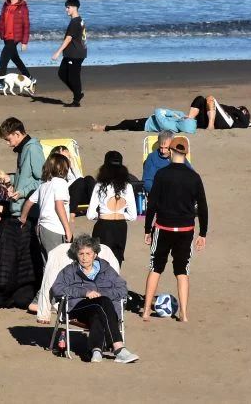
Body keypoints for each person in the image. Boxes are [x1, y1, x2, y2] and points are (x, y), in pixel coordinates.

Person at [141, 136, 207, 322]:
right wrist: (203, 233)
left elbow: (152, 204)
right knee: (182, 270)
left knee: (156, 267)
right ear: (186, 153)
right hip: (186, 229)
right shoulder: (194, 177)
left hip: (163, 227)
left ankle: (146, 310)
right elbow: (202, 206)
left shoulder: (162, 175)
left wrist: (147, 229)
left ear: (170, 151)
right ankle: (184, 314)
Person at [51, 234, 139, 363]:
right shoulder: (70, 271)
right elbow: (57, 289)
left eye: (88, 253)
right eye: (81, 254)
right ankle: (118, 348)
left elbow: (122, 289)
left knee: (100, 308)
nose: (85, 257)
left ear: (95, 254)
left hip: (103, 310)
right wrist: (84, 292)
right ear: (76, 255)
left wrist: (100, 293)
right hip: (78, 308)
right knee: (102, 303)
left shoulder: (107, 270)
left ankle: (96, 350)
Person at [19, 153, 73, 260]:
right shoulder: (60, 183)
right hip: (55, 228)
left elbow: (28, 202)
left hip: (41, 228)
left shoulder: (43, 185)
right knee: (58, 263)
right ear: (64, 168)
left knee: (47, 264)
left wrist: (23, 218)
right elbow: (59, 205)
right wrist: (67, 229)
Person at [87, 155, 137, 264]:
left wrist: (102, 215)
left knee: (99, 262)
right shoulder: (127, 186)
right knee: (117, 261)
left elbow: (90, 214)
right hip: (121, 227)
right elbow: (133, 215)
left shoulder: (99, 186)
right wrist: (119, 214)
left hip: (103, 226)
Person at [0, 117, 43, 219]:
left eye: (8, 139)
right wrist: (11, 179)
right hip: (20, 209)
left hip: (29, 211)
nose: (8, 143)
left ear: (17, 134)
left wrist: (23, 192)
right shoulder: (22, 149)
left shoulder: (33, 148)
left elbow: (44, 180)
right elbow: (26, 177)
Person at [0, 0, 31, 88]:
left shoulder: (23, 7)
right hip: (6, 36)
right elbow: (1, 21)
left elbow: (26, 25)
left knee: (4, 57)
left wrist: (24, 42)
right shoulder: (6, 5)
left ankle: (1, 83)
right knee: (15, 58)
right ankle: (29, 77)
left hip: (15, 37)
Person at [51, 0, 86, 107]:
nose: (66, 10)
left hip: (75, 54)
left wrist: (58, 52)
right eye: (66, 8)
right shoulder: (79, 20)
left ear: (75, 8)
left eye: (68, 7)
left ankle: (76, 101)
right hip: (73, 53)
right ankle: (77, 94)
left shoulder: (75, 22)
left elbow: (68, 38)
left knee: (73, 77)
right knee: (62, 73)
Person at [187, 95, 251, 130]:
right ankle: (189, 122)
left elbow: (245, 122)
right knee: (200, 98)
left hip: (227, 122)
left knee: (210, 98)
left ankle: (211, 126)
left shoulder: (237, 113)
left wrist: (237, 110)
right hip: (207, 122)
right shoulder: (229, 109)